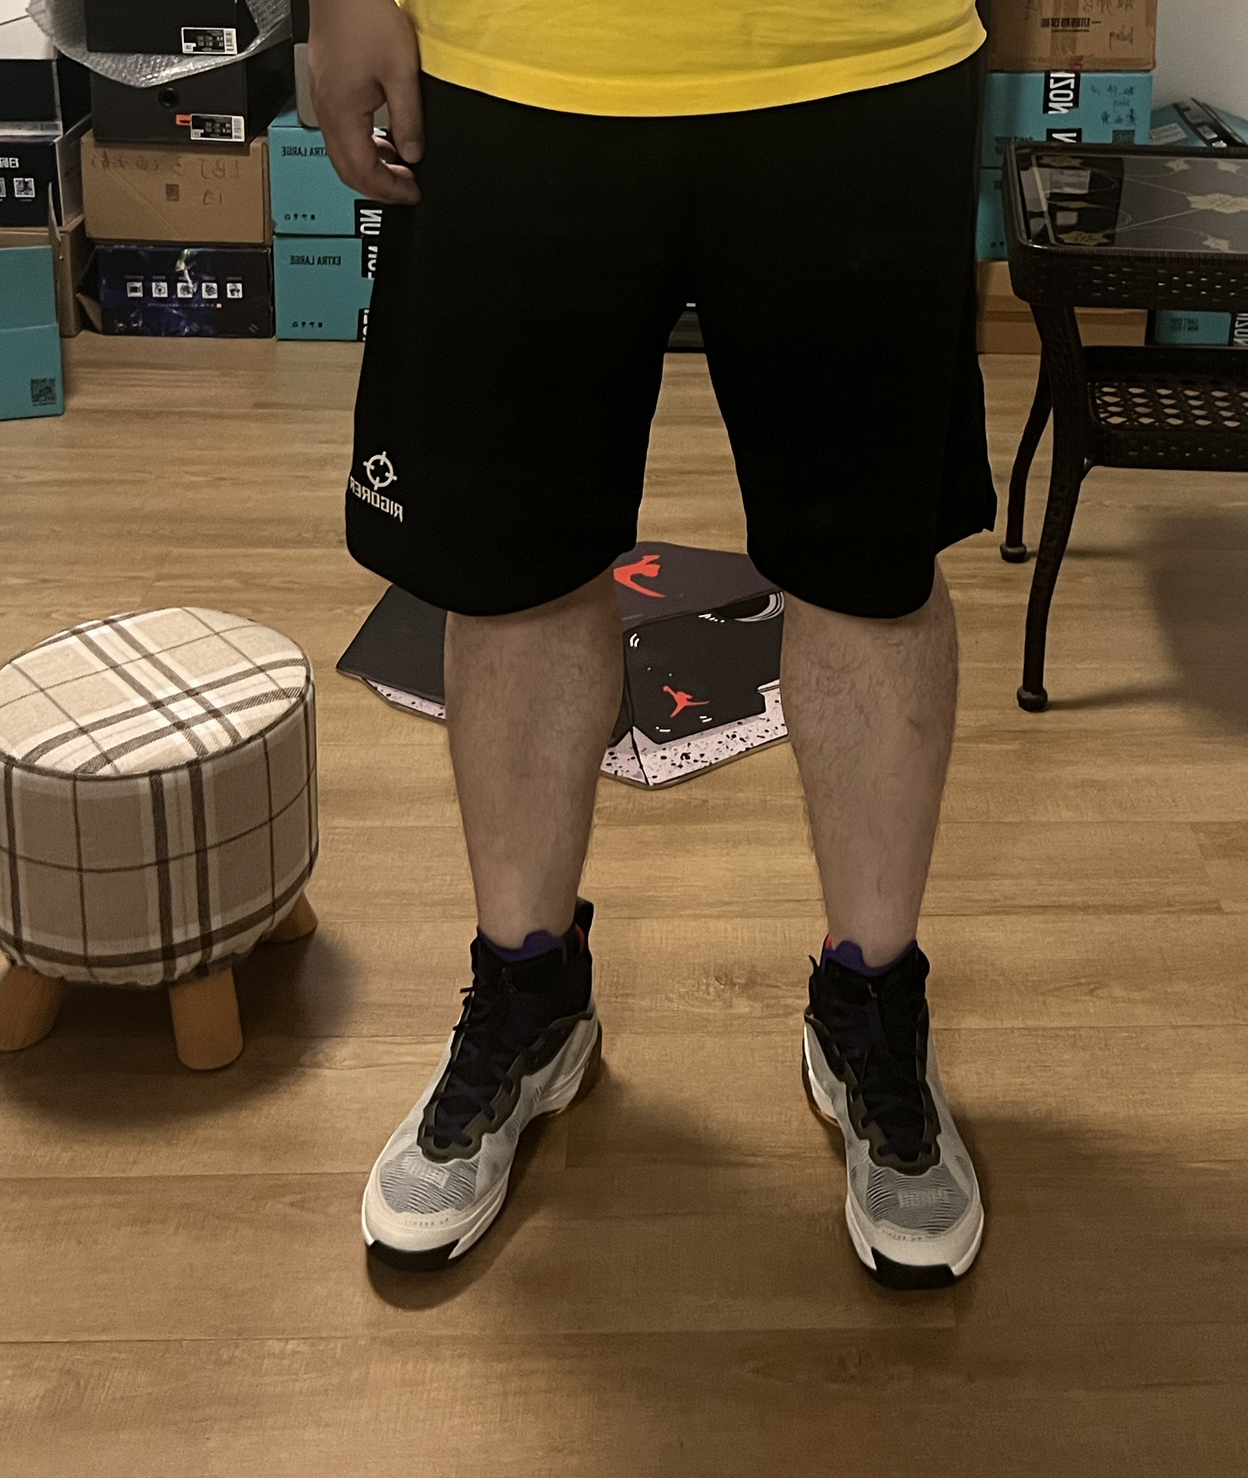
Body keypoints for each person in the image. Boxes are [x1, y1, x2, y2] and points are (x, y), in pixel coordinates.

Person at [313, 0, 995, 1287]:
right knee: (510, 570)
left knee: (866, 576)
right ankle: (529, 995)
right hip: (513, 62)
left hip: (858, 57)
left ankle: (868, 1002)